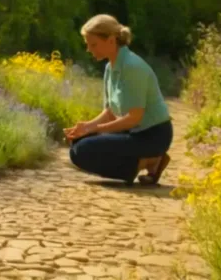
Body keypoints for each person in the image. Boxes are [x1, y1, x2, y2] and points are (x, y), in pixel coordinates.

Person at [64, 14, 173, 186]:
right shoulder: (110, 67)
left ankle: (149, 160)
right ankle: (144, 163)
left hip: (153, 136)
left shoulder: (132, 67)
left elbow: (133, 118)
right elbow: (110, 112)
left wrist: (95, 129)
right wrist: (86, 127)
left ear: (111, 40)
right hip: (133, 132)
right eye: (88, 45)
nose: (89, 50)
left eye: (93, 44)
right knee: (77, 143)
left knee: (83, 150)